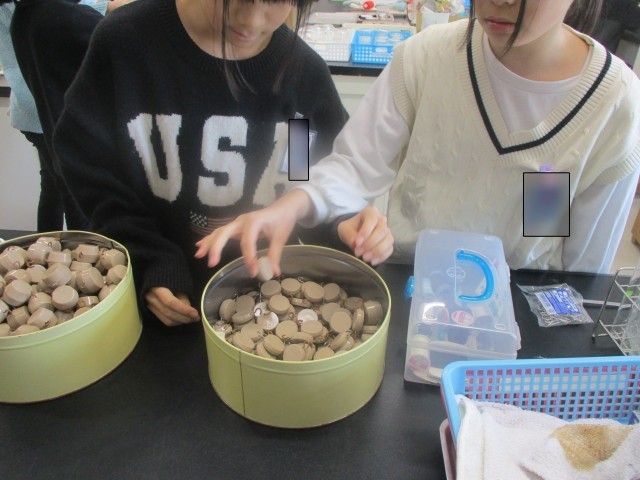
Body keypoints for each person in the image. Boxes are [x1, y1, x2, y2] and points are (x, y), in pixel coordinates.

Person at [196, 0, 640, 276]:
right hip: (411, 284)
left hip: (519, 303)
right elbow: (356, 165)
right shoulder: (428, 57)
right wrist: (291, 205)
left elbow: (586, 269)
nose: (500, 2)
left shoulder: (615, 103)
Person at [53, 0, 350, 326]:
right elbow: (93, 173)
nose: (252, 21)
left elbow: (302, 178)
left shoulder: (302, 76)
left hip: (274, 309)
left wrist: (342, 224)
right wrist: (148, 257)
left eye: (278, 1)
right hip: (150, 300)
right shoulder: (125, 45)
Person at [0, 0, 108, 231]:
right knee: (72, 194)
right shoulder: (43, 14)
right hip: (49, 111)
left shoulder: (22, 14)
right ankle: (77, 248)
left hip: (33, 108)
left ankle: (48, 243)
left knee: (54, 185)